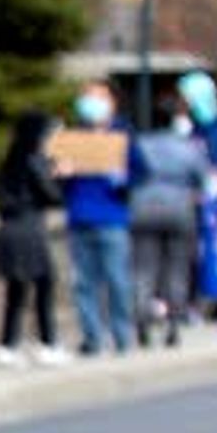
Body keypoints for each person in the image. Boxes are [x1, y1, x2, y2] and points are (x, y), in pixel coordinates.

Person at [127, 95, 209, 349]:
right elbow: (202, 178)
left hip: (142, 207)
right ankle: (173, 324)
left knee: (143, 268)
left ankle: (141, 319)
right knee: (177, 269)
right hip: (178, 208)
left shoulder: (139, 144)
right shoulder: (188, 147)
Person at [59, 86, 136, 356]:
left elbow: (140, 171)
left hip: (112, 218)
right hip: (80, 217)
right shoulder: (74, 136)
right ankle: (91, 338)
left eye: (99, 97)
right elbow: (57, 179)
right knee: (84, 283)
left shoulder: (123, 135)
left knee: (117, 280)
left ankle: (122, 336)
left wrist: (123, 178)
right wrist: (63, 174)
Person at [0, 105, 66, 365]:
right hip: (29, 227)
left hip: (9, 227)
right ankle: (47, 342)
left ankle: (7, 344)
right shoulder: (34, 161)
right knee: (44, 284)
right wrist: (60, 176)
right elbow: (51, 194)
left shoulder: (11, 158)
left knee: (16, 289)